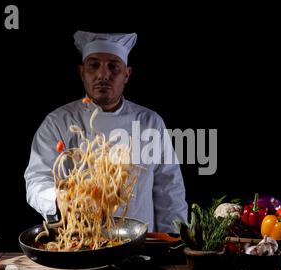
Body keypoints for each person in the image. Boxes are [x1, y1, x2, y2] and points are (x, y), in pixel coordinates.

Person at [24, 31, 188, 232]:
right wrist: (61, 200)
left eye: (113, 66)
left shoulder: (150, 122)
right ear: (82, 72)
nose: (103, 75)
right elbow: (37, 179)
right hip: (78, 244)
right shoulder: (58, 122)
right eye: (94, 65)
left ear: (126, 74)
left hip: (140, 248)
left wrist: (173, 245)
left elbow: (170, 191)